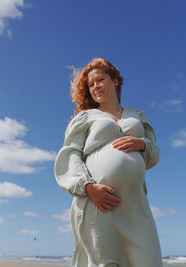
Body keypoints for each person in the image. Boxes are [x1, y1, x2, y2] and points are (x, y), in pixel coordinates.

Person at [54, 58, 162, 267]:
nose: (95, 87)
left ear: (114, 81)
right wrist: (88, 187)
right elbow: (70, 155)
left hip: (135, 205)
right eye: (91, 84)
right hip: (97, 203)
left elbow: (154, 156)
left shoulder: (137, 115)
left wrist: (142, 143)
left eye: (100, 80)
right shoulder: (85, 117)